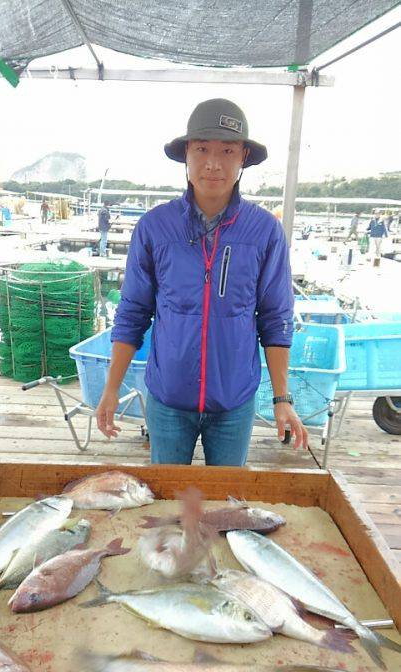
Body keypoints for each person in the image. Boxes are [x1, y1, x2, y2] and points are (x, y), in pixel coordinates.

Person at [96, 98, 308, 465]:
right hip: (167, 400)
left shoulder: (264, 231)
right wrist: (111, 390)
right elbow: (132, 313)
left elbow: (276, 319)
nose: (213, 163)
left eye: (227, 150)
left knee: (226, 504)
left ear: (243, 156)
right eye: (202, 149)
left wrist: (282, 399)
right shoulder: (154, 227)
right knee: (166, 505)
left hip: (235, 402)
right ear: (186, 155)